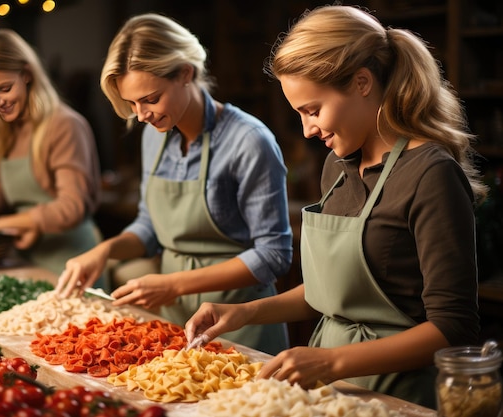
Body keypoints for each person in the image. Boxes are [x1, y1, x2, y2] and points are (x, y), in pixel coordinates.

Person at [184, 4, 486, 408]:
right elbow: (333, 293)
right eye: (301, 114)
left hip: (396, 396)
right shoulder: (338, 165)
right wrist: (244, 312)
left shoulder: (431, 174)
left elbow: (454, 328)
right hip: (329, 393)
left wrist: (332, 361)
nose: (308, 129)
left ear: (362, 82)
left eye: (313, 110)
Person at [54, 13, 293, 355]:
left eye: (150, 99)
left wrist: (173, 284)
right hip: (173, 324)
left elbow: (274, 255)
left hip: (241, 324)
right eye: (132, 103)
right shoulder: (154, 135)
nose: (141, 115)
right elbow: (150, 227)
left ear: (186, 73)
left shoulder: (249, 141)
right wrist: (104, 251)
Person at [0, 29, 103, 278]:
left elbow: (72, 207)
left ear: (27, 75)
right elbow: (1, 193)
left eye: (4, 89)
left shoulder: (64, 125)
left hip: (72, 263)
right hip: (26, 260)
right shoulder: (8, 129)